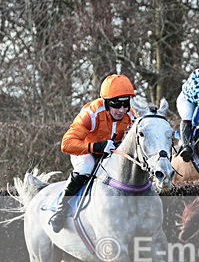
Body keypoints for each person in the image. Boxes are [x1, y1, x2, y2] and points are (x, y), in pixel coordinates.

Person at [49, 74, 136, 233]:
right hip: (85, 151)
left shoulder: (131, 115)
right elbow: (66, 144)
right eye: (117, 105)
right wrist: (96, 147)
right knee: (86, 167)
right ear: (107, 102)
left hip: (111, 154)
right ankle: (60, 209)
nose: (122, 110)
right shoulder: (91, 113)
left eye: (126, 104)